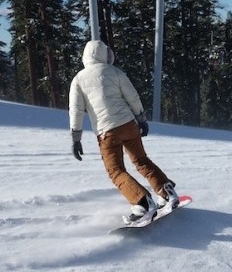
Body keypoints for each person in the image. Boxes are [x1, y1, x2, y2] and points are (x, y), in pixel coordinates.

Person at [69, 39, 178, 222]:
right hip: (129, 125)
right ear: (105, 55)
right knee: (141, 160)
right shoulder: (115, 72)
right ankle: (166, 191)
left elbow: (76, 110)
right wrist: (141, 119)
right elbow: (132, 96)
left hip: (107, 132)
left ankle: (142, 203)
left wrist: (76, 138)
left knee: (116, 171)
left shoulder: (79, 79)